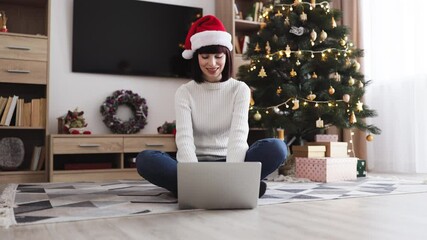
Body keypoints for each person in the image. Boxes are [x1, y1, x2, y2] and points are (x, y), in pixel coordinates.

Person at [136, 15, 287, 198]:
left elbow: (238, 137)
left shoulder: (240, 89)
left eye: (218, 56)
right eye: (205, 56)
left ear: (226, 56)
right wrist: (194, 175)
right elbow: (184, 140)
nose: (212, 63)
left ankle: (201, 190)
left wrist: (233, 172)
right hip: (196, 164)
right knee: (145, 160)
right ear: (196, 57)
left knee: (277, 147)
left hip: (233, 161)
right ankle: (230, 188)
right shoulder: (185, 92)